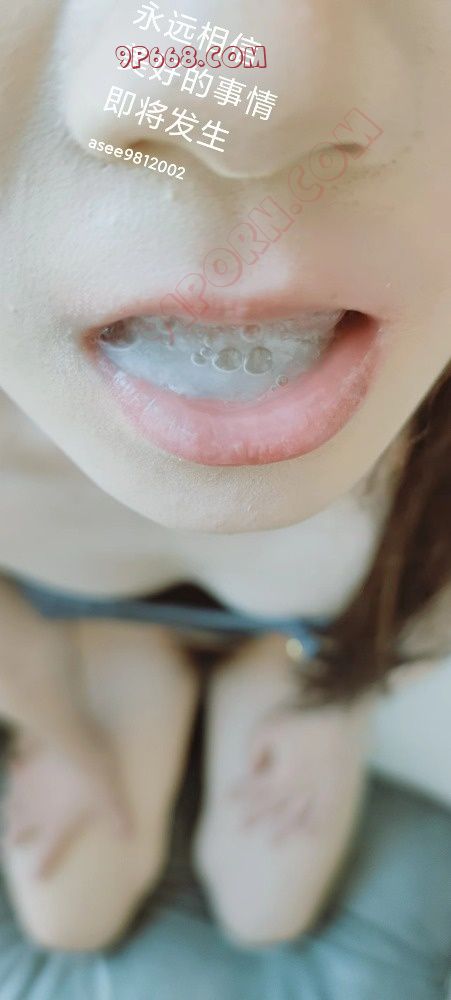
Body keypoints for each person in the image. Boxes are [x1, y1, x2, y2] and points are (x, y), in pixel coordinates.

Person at [0, 0, 450, 954]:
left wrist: (334, 694)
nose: (242, 102)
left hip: (306, 647)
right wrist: (57, 727)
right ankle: (134, 663)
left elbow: (433, 602)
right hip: (71, 631)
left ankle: (262, 673)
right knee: (69, 918)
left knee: (266, 909)